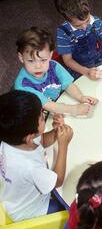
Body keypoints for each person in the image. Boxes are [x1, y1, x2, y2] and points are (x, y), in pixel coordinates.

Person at [0, 90, 73, 221]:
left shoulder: (10, 140)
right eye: (41, 116)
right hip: (31, 213)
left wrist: (56, 132)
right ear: (30, 137)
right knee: (74, 210)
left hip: (12, 201)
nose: (44, 117)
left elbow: (42, 141)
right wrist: (63, 145)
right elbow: (58, 181)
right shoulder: (29, 167)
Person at [14, 27, 98, 116]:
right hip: (38, 116)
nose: (38, 66)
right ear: (21, 58)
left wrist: (80, 97)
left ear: (50, 55)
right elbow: (48, 105)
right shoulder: (23, 85)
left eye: (43, 60)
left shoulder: (54, 66)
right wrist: (74, 109)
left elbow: (68, 84)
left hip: (58, 107)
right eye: (31, 61)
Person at [55, 0, 102, 80]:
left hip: (101, 62)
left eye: (87, 20)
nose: (85, 27)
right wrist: (86, 72)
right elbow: (68, 60)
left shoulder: (96, 21)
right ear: (66, 18)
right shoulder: (63, 32)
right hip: (80, 70)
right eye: (78, 25)